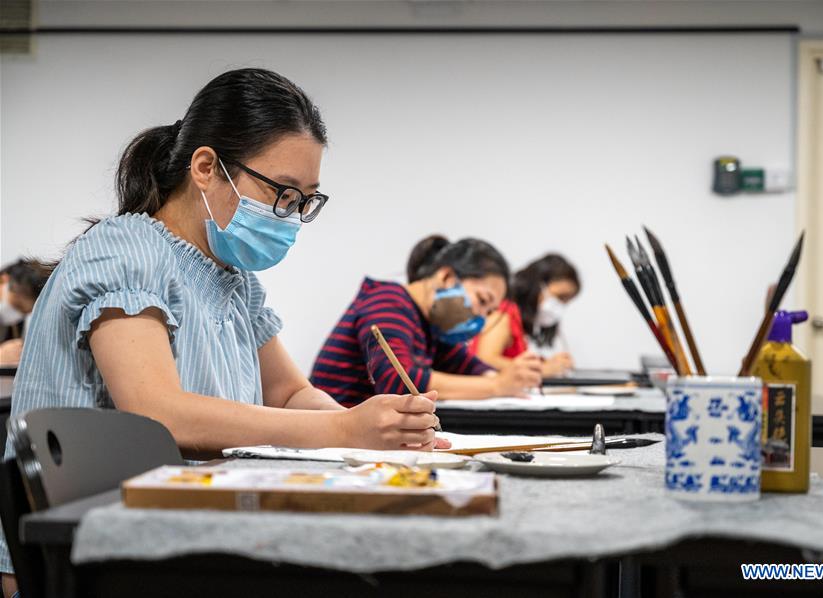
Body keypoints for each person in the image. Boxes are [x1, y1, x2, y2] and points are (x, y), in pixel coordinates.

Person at [1, 68, 444, 595]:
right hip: (89, 549)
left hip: (175, 530)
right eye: (283, 192)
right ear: (206, 167)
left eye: (306, 201)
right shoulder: (126, 250)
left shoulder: (236, 280)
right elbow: (159, 412)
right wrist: (344, 434)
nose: (291, 215)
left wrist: (374, 430)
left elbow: (289, 393)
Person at [310, 235, 543, 406]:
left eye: (489, 312)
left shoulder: (427, 325)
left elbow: (468, 366)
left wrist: (506, 378)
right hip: (332, 439)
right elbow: (398, 382)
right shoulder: (388, 300)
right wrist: (497, 385)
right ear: (447, 276)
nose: (481, 318)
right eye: (482, 301)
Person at [471, 254, 580, 377]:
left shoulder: (517, 321)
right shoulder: (503, 314)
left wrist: (545, 364)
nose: (560, 306)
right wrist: (540, 370)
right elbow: (485, 359)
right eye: (560, 297)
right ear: (537, 286)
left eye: (566, 301)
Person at [0, 260, 51, 365]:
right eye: (17, 306)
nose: (16, 315)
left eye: (24, 312)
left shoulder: (17, 325)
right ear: (4, 281)